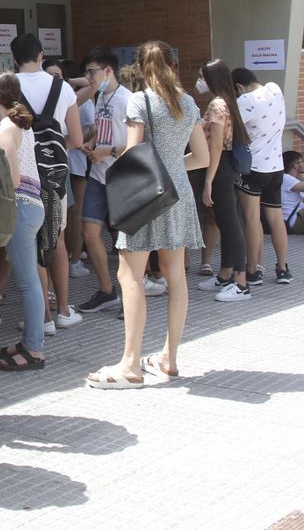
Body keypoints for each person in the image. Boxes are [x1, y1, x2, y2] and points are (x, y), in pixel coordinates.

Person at [86, 42, 207, 388]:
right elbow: (201, 157)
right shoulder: (187, 102)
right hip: (178, 193)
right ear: (174, 63)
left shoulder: (140, 100)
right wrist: (172, 169)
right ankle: (170, 357)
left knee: (130, 275)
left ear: (140, 67)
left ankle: (130, 364)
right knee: (176, 276)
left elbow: (135, 151)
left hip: (146, 197)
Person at [9, 34, 85, 335]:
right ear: (42, 55)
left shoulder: (8, 86)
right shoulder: (63, 87)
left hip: (23, 175)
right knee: (56, 240)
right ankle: (64, 310)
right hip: (56, 174)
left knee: (31, 245)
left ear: (14, 58)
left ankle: (43, 318)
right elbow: (77, 139)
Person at [0, 73, 47, 371]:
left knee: (27, 283)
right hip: (34, 205)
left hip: (20, 208)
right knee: (30, 280)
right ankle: (28, 343)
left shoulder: (4, 130)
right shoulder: (22, 126)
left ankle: (34, 349)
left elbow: (9, 179)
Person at [194, 60, 253, 302]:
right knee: (227, 221)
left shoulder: (218, 104)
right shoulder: (228, 100)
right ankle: (225, 274)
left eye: (202, 75)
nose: (199, 80)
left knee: (230, 224)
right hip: (225, 166)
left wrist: (208, 180)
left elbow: (216, 146)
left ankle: (240, 283)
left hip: (219, 167)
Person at [74, 49, 126, 314]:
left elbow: (136, 142)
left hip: (122, 178)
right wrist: (93, 142)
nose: (88, 77)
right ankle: (107, 291)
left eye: (91, 72)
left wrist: (108, 151)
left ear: (108, 71)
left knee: (127, 240)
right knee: (89, 234)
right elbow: (102, 129)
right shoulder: (101, 97)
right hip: (97, 174)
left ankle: (132, 293)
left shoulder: (128, 100)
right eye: (86, 72)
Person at [232, 68, 290, 285]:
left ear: (238, 87)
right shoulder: (275, 89)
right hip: (276, 165)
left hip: (254, 168)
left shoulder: (245, 101)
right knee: (276, 218)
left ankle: (253, 270)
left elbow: (232, 130)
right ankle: (283, 268)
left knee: (251, 219)